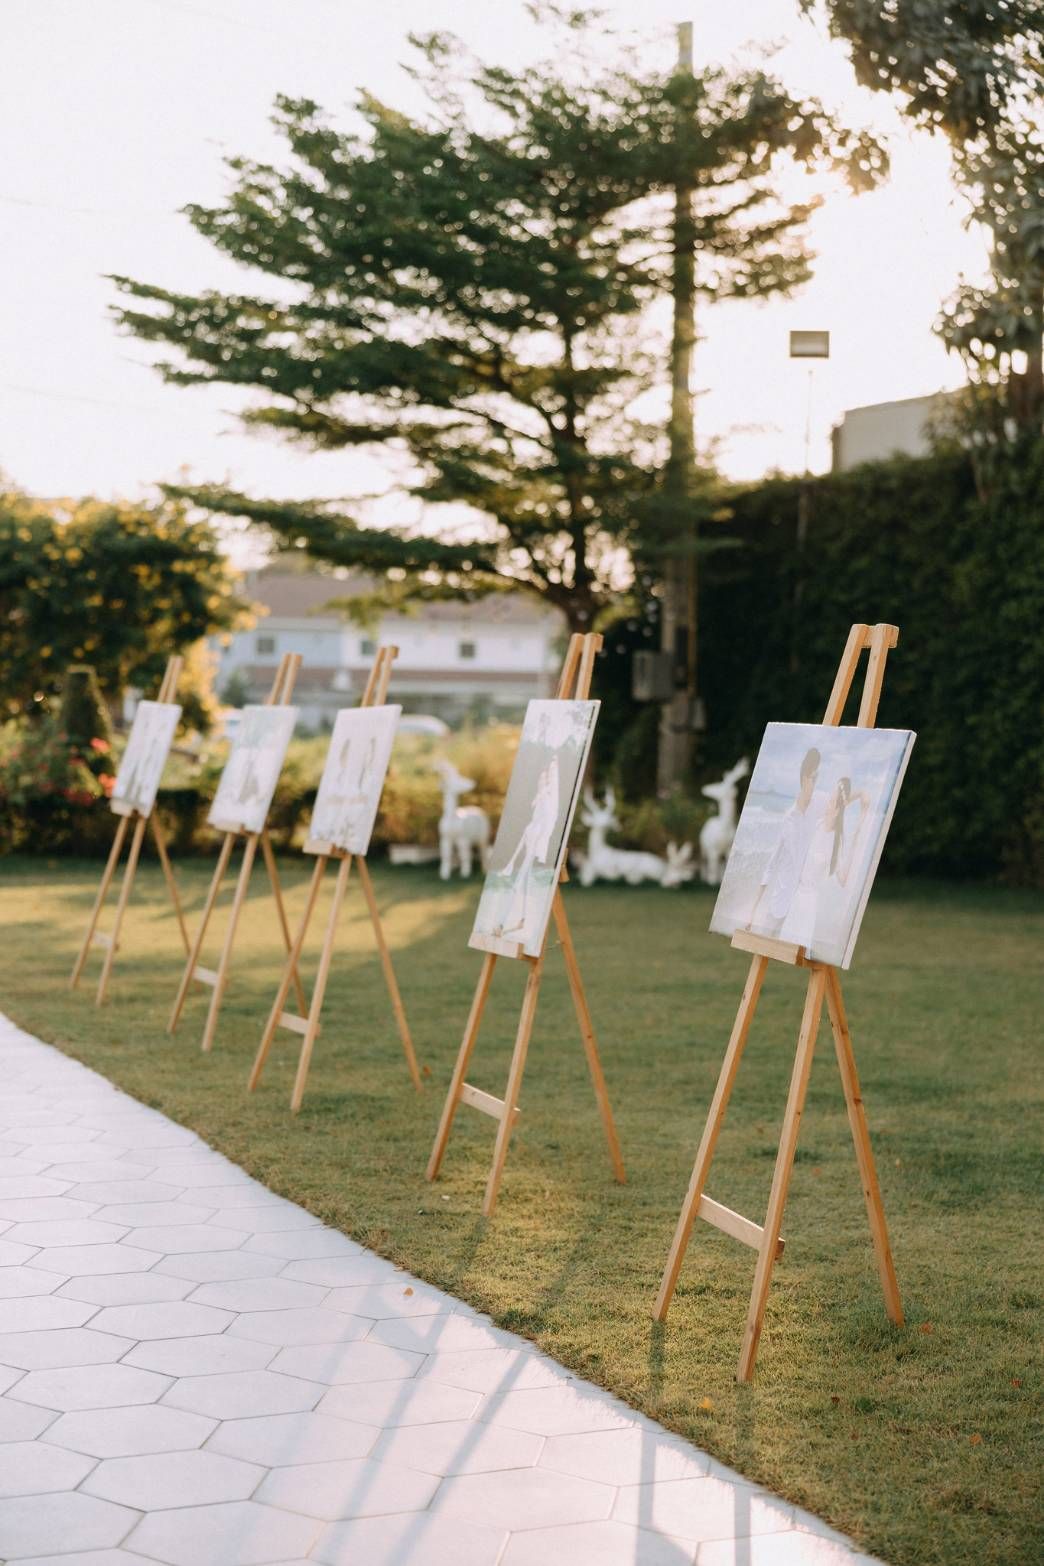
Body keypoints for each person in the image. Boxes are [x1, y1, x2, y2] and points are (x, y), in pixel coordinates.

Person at [778, 775, 871, 951]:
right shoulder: (817, 823)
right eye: (829, 799)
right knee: (783, 948)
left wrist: (855, 840)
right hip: (795, 895)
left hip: (809, 903)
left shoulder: (836, 841)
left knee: (799, 951)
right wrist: (858, 793)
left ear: (838, 809)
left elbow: (843, 879)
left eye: (832, 802)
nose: (827, 804)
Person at [744, 747, 820, 935]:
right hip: (780, 904)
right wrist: (752, 912)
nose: (814, 785)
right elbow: (770, 866)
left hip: (802, 906)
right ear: (804, 779)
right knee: (766, 941)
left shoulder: (815, 814)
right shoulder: (788, 820)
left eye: (816, 779)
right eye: (813, 779)